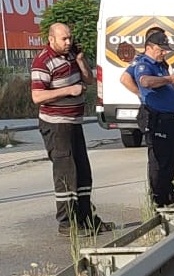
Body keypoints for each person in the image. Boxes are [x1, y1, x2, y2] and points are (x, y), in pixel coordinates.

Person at [30, 22, 114, 236]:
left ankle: (86, 218)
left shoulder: (71, 55)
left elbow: (89, 79)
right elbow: (37, 96)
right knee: (66, 173)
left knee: (83, 172)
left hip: (74, 123)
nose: (68, 42)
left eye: (70, 38)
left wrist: (79, 60)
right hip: (56, 125)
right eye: (64, 39)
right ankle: (66, 223)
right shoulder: (43, 61)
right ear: (52, 40)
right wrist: (69, 89)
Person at [132, 30, 174, 207]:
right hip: (160, 121)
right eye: (161, 49)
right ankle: (160, 200)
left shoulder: (161, 64)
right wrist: (168, 80)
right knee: (162, 162)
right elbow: (145, 82)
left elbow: (165, 86)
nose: (164, 53)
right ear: (149, 47)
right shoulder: (144, 64)